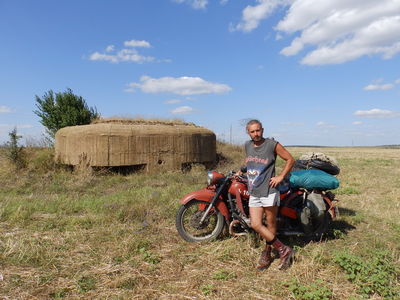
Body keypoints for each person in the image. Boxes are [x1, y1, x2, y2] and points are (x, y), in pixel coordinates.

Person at [239, 119, 295, 270]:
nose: (256, 134)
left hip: (269, 190)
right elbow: (249, 159)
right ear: (248, 133)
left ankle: (268, 251)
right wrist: (241, 170)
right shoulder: (247, 145)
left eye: (258, 130)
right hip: (254, 191)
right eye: (252, 131)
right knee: (256, 224)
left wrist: (281, 177)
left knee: (270, 224)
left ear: (262, 130)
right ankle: (284, 249)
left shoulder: (272, 144)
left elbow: (290, 159)